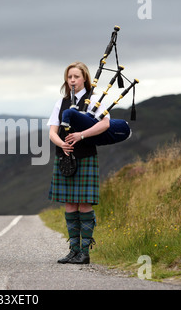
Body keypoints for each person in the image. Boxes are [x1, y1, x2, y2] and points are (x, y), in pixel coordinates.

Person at [47, 61, 110, 264]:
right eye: (69, 77)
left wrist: (81, 135)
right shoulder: (62, 102)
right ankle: (73, 250)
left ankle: (85, 252)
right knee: (70, 204)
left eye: (76, 77)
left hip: (85, 155)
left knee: (84, 204)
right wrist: (62, 145)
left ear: (85, 79)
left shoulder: (94, 100)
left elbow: (105, 124)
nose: (72, 80)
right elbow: (52, 132)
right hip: (65, 158)